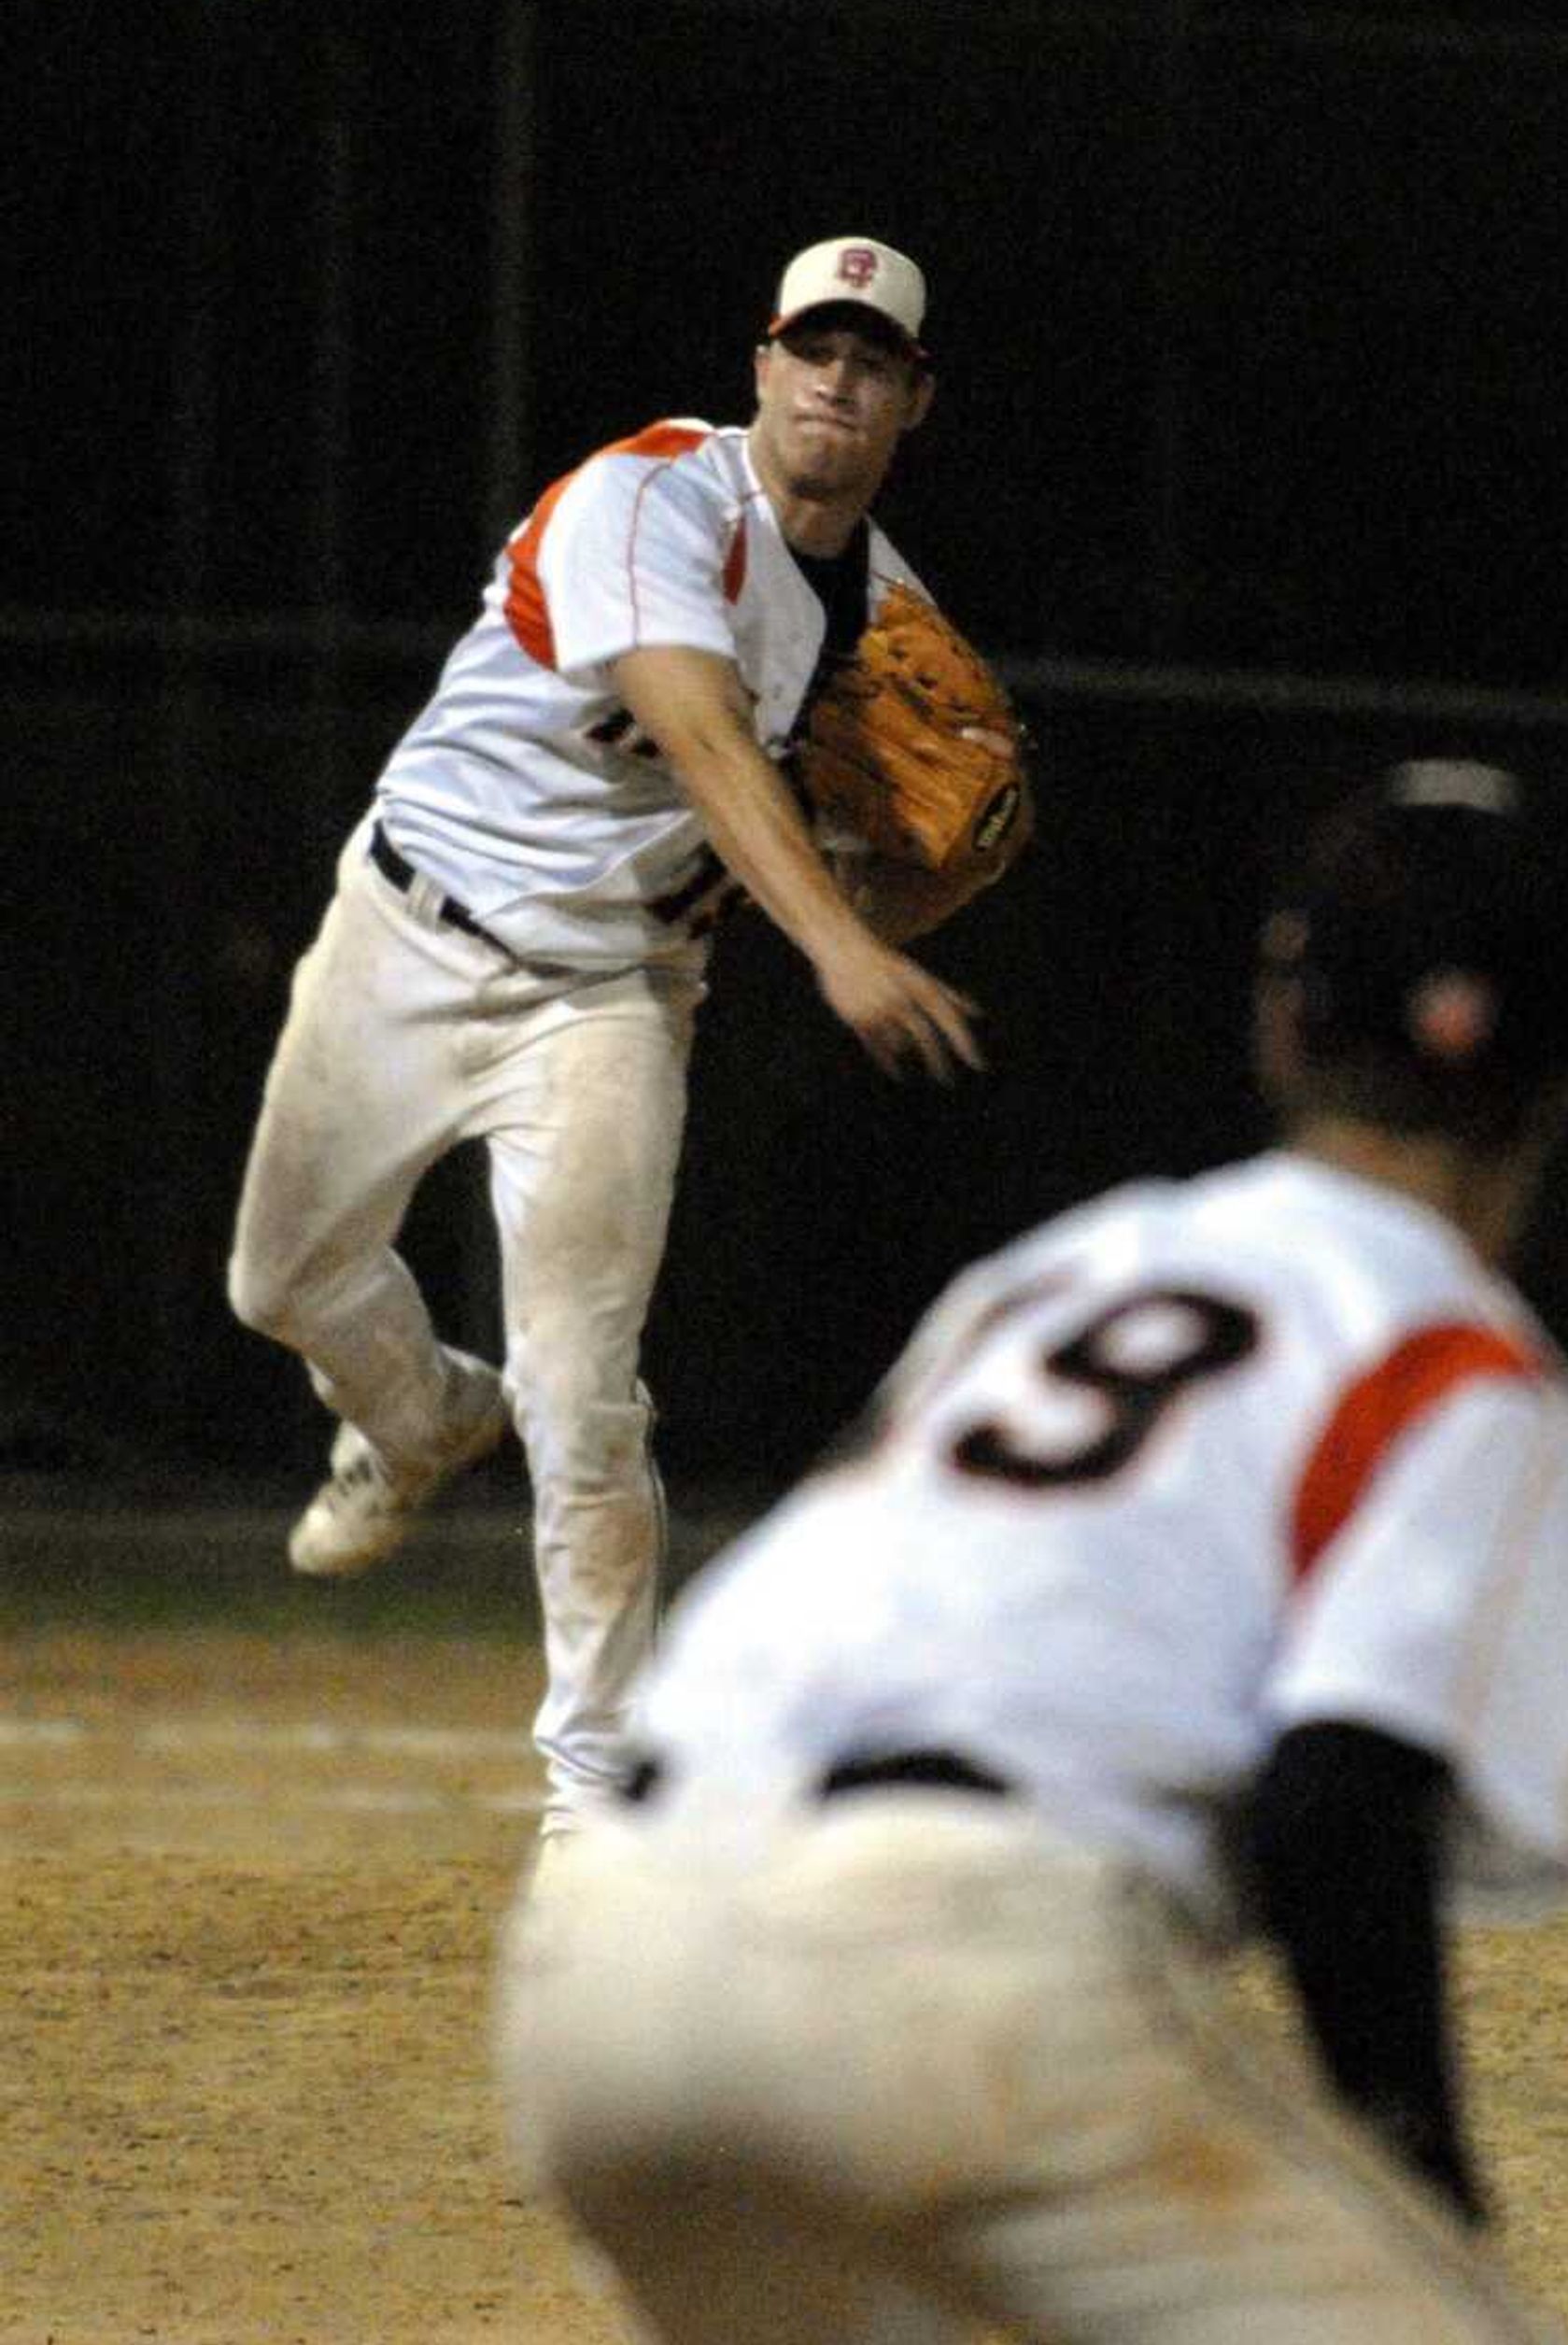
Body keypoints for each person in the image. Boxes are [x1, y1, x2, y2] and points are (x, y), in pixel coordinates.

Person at [494, 758, 1568, 2345]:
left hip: (603, 1961)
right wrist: (1425, 2193)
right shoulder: (1469, 1369)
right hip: (943, 1971)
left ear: (1284, 1027)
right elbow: (1340, 1802)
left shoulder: (1056, 1271)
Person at [228, 236, 1007, 1837]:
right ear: (763, 367)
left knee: (584, 1397)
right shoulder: (647, 500)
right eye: (814, 349)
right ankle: (418, 1411)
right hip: (408, 928)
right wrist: (843, 942)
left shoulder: (888, 616)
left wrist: (907, 890)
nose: (835, 384)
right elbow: (699, 725)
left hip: (612, 998)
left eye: (872, 364)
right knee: (282, 1282)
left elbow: (890, 863)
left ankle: (596, 1793)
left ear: (911, 403)